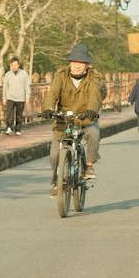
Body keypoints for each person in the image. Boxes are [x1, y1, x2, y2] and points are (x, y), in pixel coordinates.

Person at [46, 41, 105, 194]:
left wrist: (92, 109)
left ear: (87, 65)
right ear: (70, 63)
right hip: (63, 120)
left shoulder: (94, 76)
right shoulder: (61, 75)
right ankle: (57, 182)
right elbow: (52, 93)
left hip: (85, 117)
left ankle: (89, 166)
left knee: (94, 133)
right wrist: (48, 108)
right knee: (54, 156)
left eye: (81, 62)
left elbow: (94, 94)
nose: (77, 66)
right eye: (74, 62)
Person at [2, 56, 31, 134]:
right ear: (11, 65)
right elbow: (5, 87)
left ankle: (18, 129)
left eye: (16, 65)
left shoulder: (24, 74)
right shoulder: (8, 74)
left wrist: (27, 97)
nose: (14, 67)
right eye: (13, 65)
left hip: (20, 98)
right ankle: (9, 128)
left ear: (19, 65)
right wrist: (4, 98)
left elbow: (27, 86)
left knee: (19, 115)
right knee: (9, 114)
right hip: (10, 97)